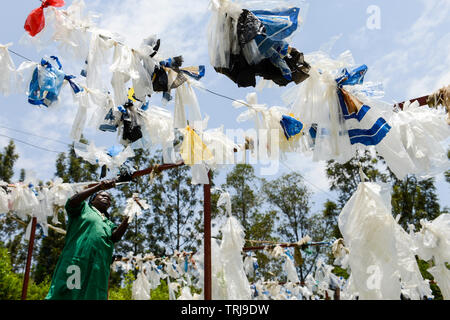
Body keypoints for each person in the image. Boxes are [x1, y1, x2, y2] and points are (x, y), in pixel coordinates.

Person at [45, 180, 130, 300]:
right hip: (78, 260)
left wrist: (129, 216)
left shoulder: (108, 223)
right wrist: (98, 187)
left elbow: (115, 237)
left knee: (93, 294)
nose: (107, 199)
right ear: (93, 199)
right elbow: (72, 201)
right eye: (103, 195)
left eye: (109, 199)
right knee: (68, 292)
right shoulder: (83, 209)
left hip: (98, 266)